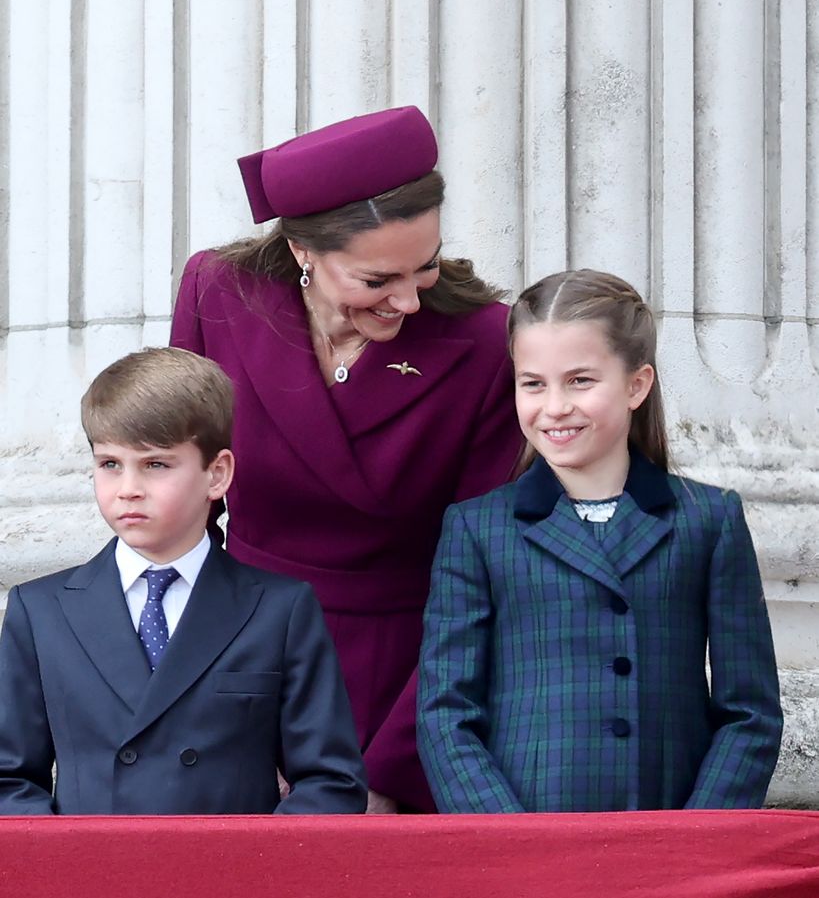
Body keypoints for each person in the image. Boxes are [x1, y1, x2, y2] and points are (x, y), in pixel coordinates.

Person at [171, 106, 522, 812]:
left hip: (404, 685)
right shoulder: (217, 292)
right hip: (238, 669)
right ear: (303, 251)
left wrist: (389, 773)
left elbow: (482, 576)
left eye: (423, 268)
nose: (407, 300)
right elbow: (180, 515)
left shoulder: (488, 342)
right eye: (376, 280)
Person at [417, 268, 783, 812]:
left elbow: (749, 712)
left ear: (637, 384)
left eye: (580, 380)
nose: (555, 406)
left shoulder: (709, 520)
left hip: (667, 836)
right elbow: (445, 712)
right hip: (526, 837)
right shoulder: (477, 529)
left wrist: (694, 838)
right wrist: (504, 836)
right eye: (533, 383)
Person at [0, 347, 367, 815]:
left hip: (231, 879)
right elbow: (9, 781)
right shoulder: (42, 610)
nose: (128, 487)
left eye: (155, 464)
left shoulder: (280, 608)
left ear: (217, 474)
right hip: (93, 880)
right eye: (109, 463)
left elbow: (331, 782)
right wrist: (70, 868)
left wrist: (256, 873)